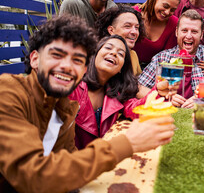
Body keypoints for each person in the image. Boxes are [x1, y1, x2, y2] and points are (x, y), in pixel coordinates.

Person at [0, 15, 175, 193]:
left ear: (83, 68)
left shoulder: (64, 108)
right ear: (35, 59)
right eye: (57, 55)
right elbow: (33, 176)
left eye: (77, 60)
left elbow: (69, 165)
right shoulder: (8, 91)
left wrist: (158, 94)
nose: (67, 66)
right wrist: (126, 143)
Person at [138, 9, 204, 108]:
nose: (189, 36)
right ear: (177, 32)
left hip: (202, 115)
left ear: (201, 35)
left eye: (194, 31)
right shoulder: (162, 58)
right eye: (184, 30)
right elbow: (138, 89)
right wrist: (164, 97)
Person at [132, 0, 181, 69]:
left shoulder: (174, 24)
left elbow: (167, 59)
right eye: (165, 6)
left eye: (172, 10)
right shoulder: (133, 14)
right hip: (128, 67)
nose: (167, 12)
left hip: (154, 71)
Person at [96, 5, 145, 76]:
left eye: (137, 28)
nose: (134, 32)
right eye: (127, 26)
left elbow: (137, 83)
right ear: (111, 30)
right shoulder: (101, 54)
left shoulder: (133, 55)